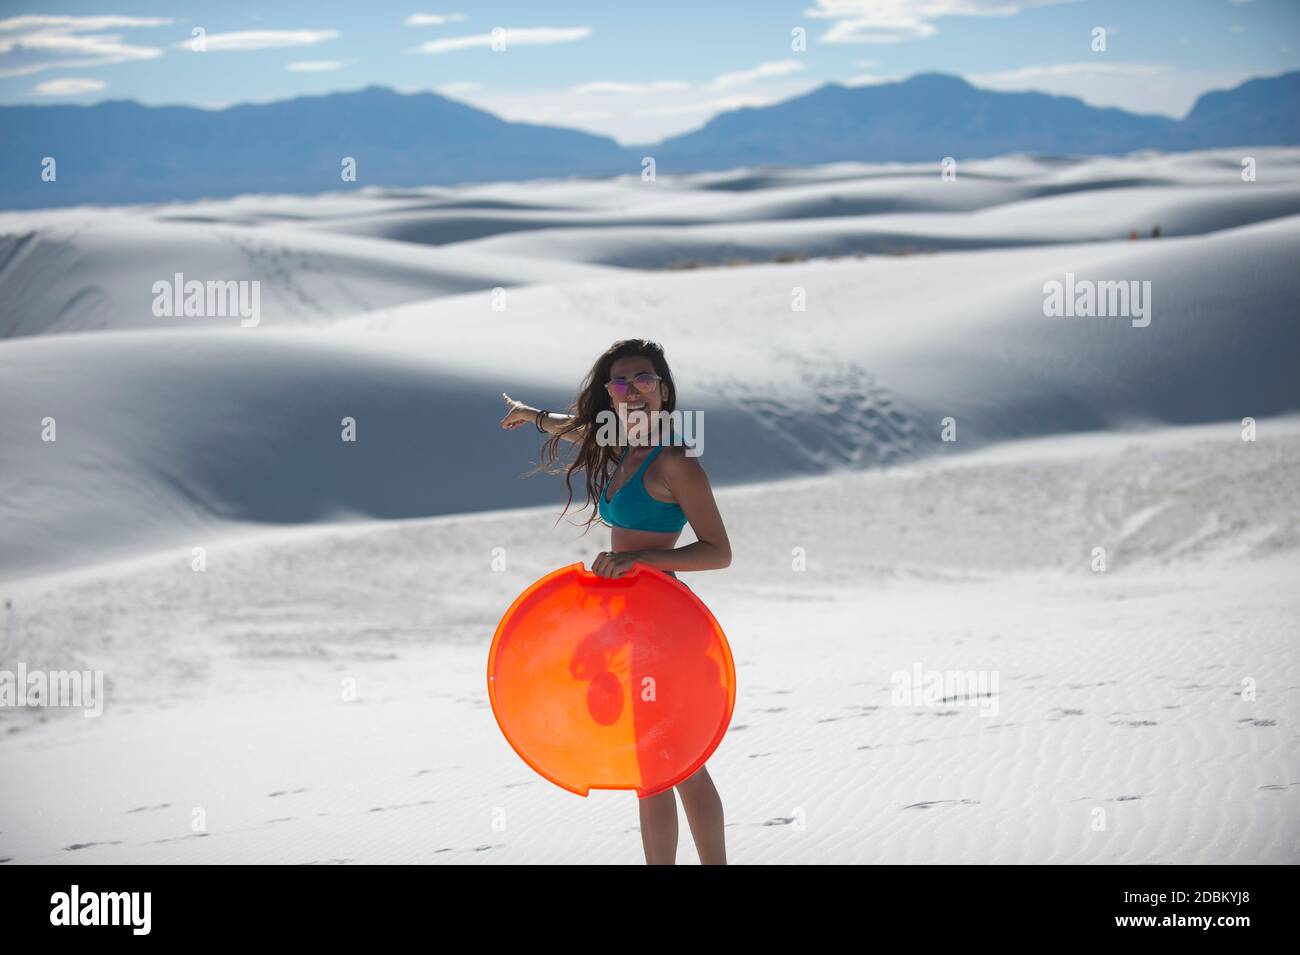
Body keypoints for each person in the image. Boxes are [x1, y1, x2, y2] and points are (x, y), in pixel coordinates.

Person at [500, 338, 732, 865]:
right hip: (628, 626)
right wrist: (532, 416)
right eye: (621, 383)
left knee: (684, 764)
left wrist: (642, 561)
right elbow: (578, 427)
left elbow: (719, 551)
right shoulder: (623, 445)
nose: (633, 392)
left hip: (666, 626)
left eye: (644, 380)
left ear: (664, 390)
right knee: (650, 770)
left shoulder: (675, 460)